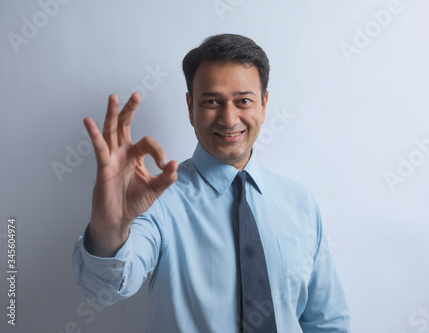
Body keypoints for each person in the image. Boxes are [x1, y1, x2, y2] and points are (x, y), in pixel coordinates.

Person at [72, 33, 350, 332]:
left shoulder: (300, 202)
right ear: (191, 107)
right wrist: (109, 226)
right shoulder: (156, 201)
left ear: (264, 105)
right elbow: (106, 288)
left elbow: (326, 321)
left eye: (243, 101)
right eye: (212, 101)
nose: (229, 119)